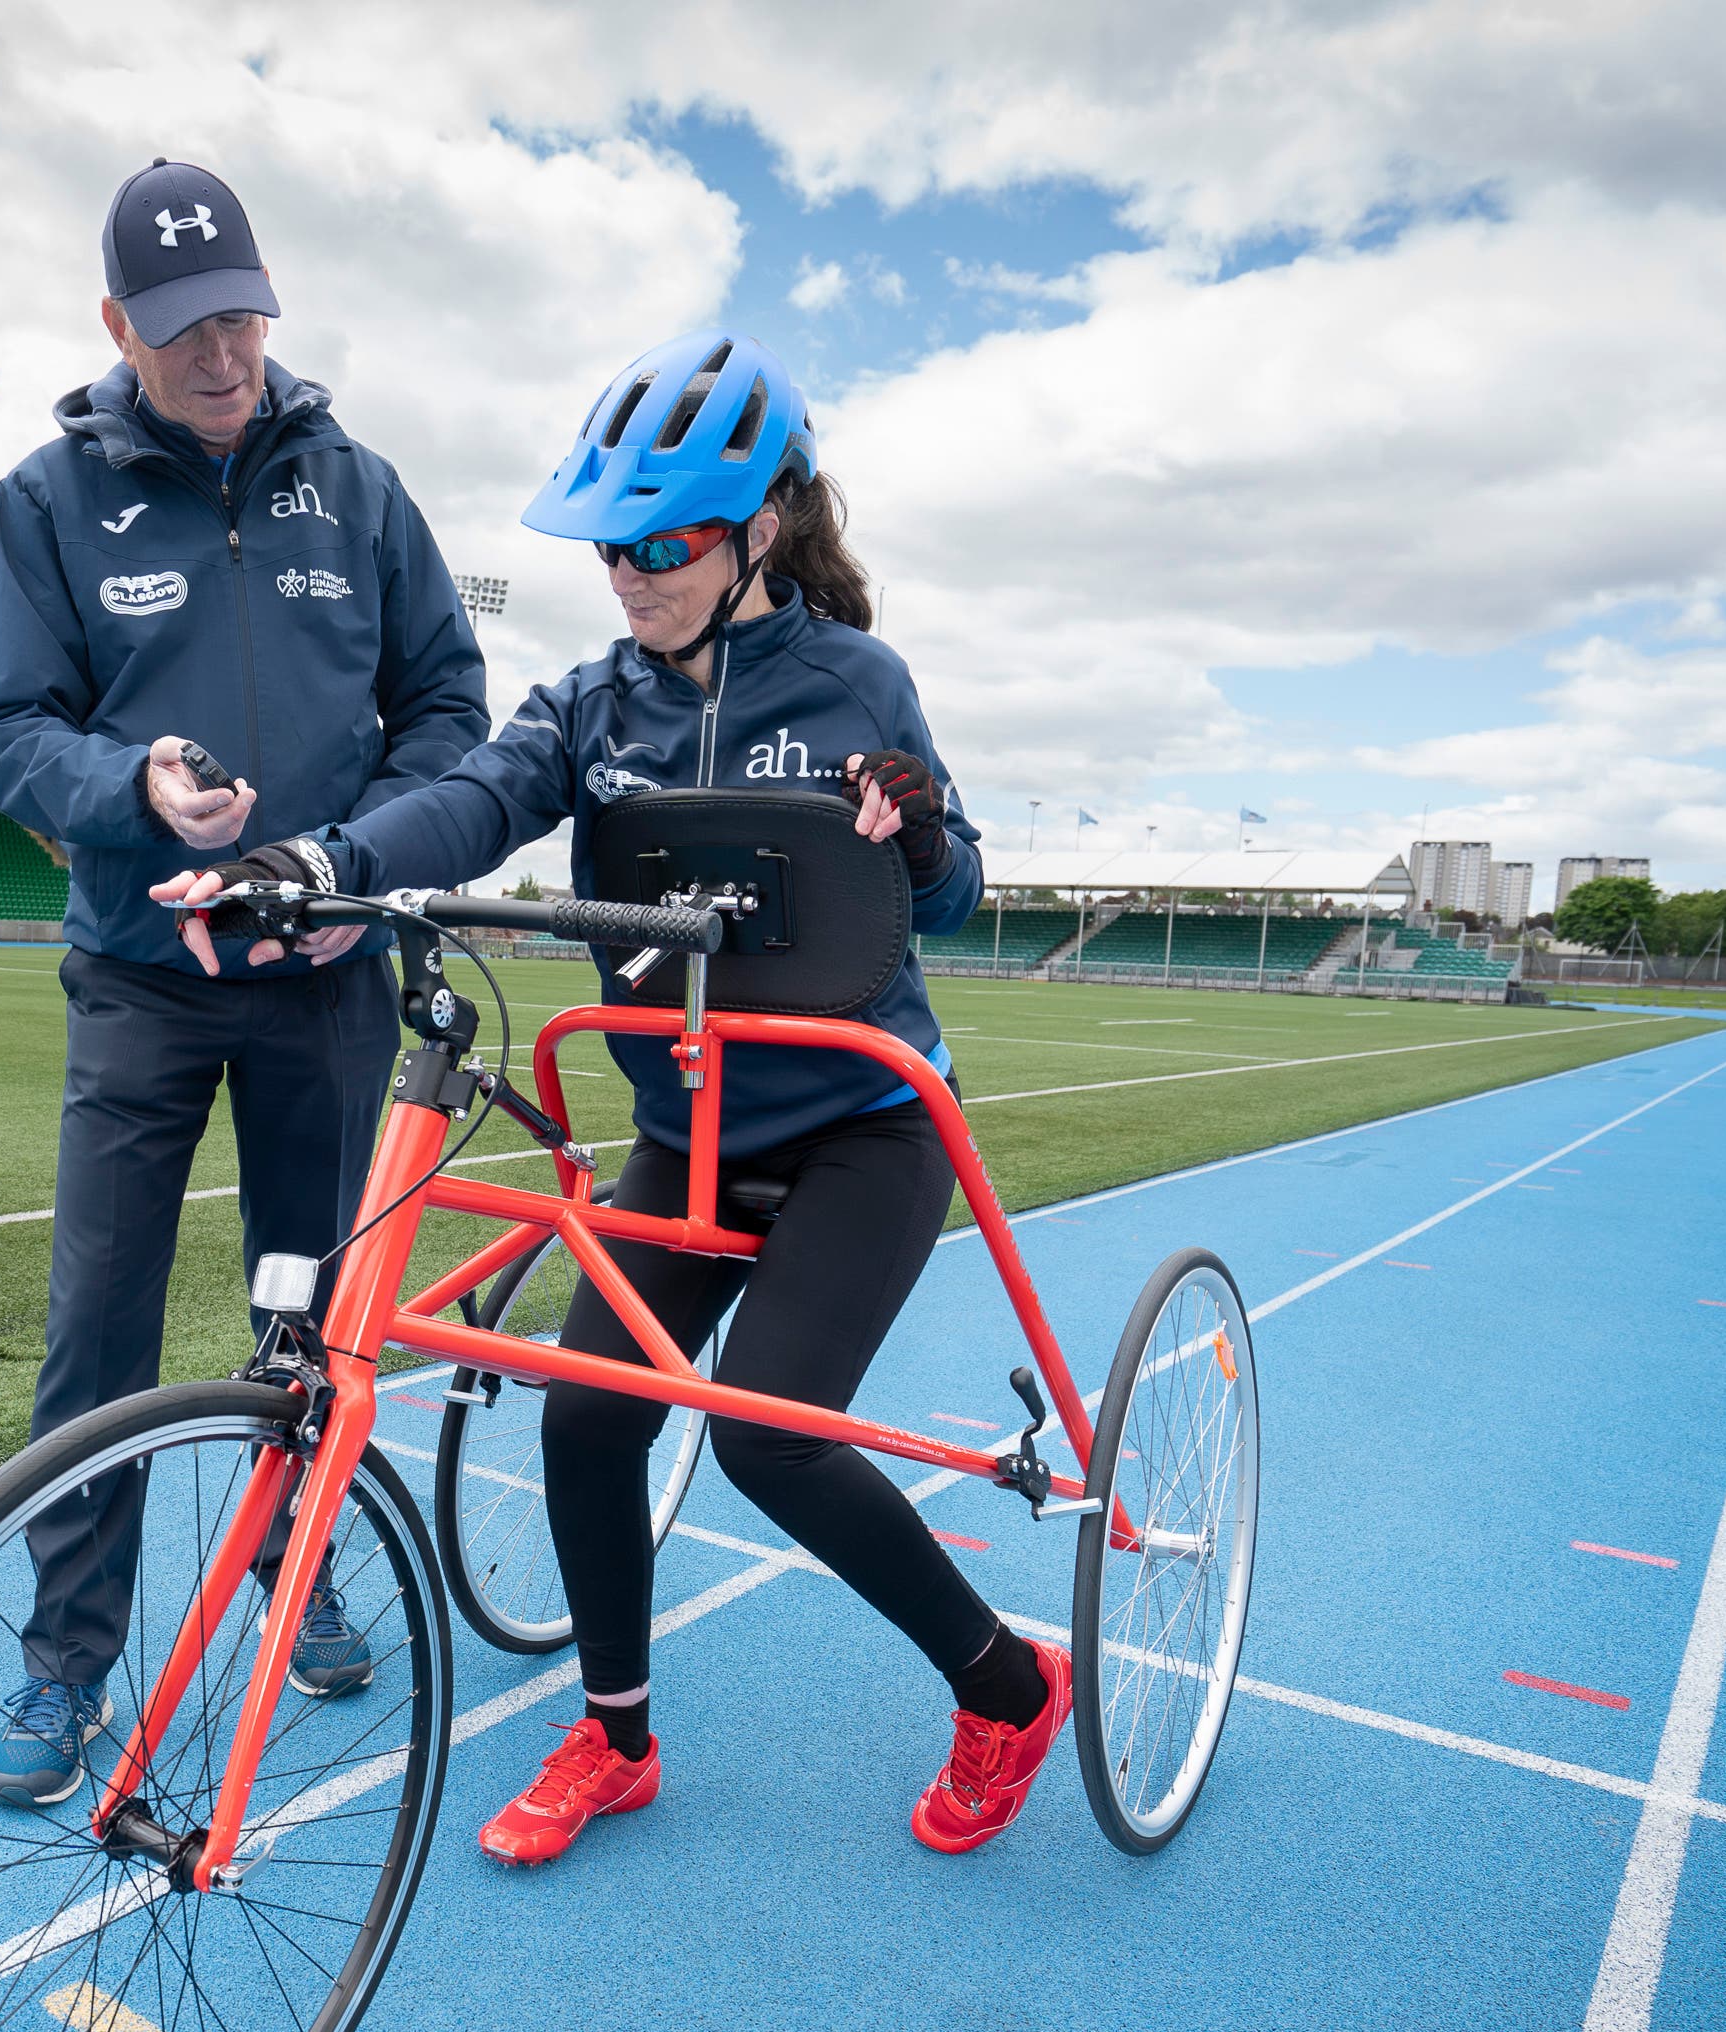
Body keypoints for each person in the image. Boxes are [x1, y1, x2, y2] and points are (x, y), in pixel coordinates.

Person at [158, 330, 1076, 1864]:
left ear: (755, 533)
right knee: (588, 1421)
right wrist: (314, 863)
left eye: (660, 543)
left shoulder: (861, 681)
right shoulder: (592, 704)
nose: (627, 575)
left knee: (773, 1437)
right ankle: (617, 1735)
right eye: (608, 546)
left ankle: (1006, 1685)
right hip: (685, 1132)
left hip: (864, 1126)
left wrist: (917, 828)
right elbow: (466, 803)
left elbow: (958, 901)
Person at [0, 159, 492, 1804]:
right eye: (185, 328)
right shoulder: (50, 500)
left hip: (327, 976)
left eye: (244, 317)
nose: (223, 355)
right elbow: (0, 733)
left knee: (316, 1321)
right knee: (97, 1332)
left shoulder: (362, 488)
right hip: (142, 976)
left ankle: (294, 1569)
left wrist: (362, 870)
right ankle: (68, 1662)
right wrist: (137, 792)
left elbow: (451, 719)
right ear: (118, 323)